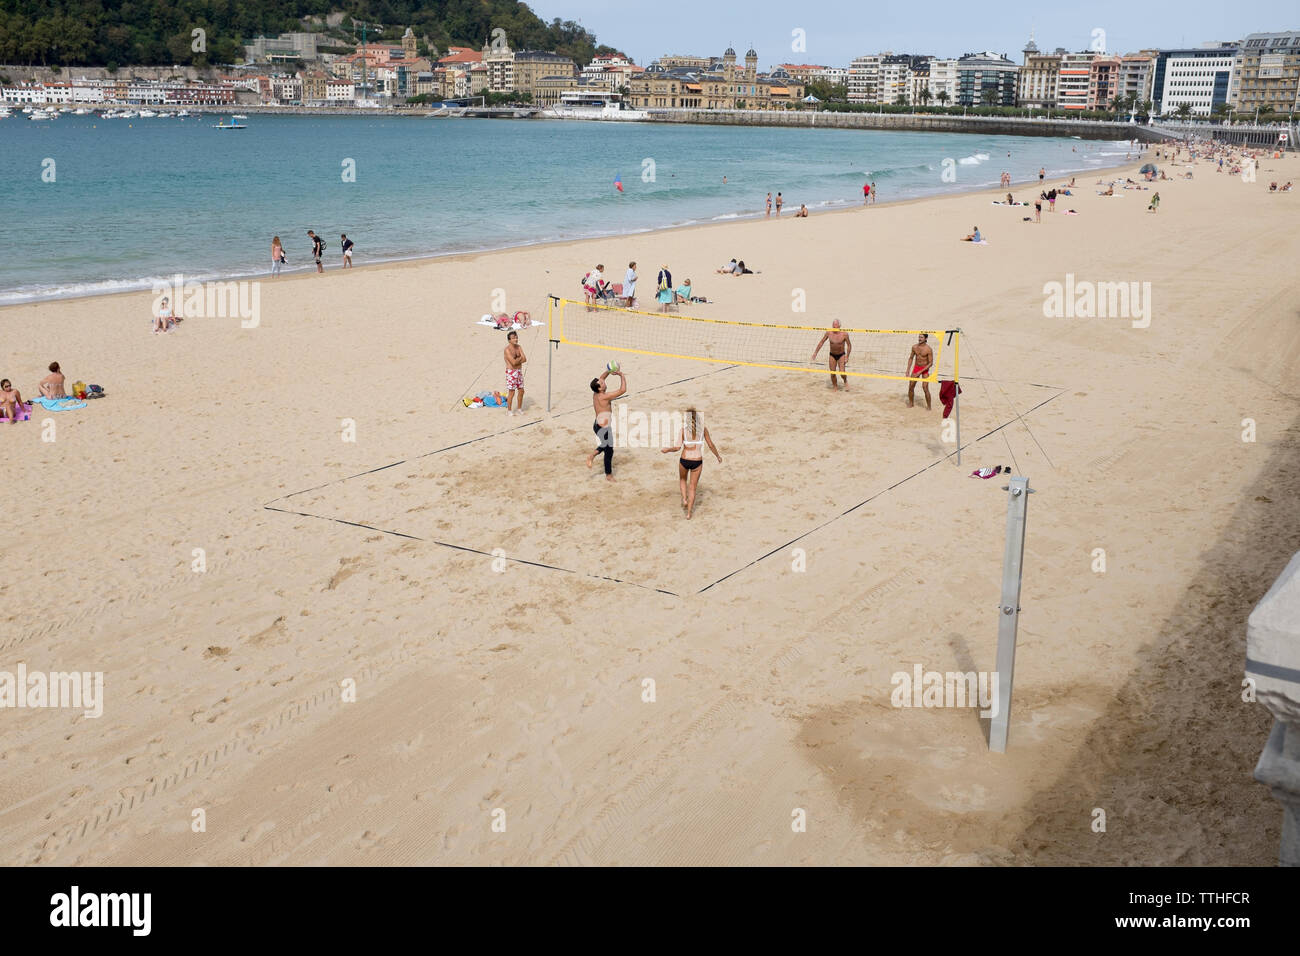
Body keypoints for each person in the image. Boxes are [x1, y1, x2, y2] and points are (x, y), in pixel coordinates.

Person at [661, 406, 721, 519]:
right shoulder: (703, 429)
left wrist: (667, 450)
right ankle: (689, 513)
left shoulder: (683, 431)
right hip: (697, 461)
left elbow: (677, 447)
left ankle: (684, 499)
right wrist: (717, 456)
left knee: (683, 479)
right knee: (692, 487)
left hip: (684, 459)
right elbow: (711, 444)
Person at [586, 368, 627, 480]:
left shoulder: (595, 393)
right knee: (608, 450)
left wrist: (609, 370)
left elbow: (602, 377)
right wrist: (621, 375)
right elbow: (622, 390)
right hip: (603, 429)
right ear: (600, 388)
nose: (604, 382)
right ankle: (606, 472)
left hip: (597, 425)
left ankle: (603, 468)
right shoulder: (604, 397)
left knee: (607, 446)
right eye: (602, 383)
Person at [811, 319, 852, 391]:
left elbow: (849, 345)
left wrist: (847, 356)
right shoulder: (829, 333)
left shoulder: (844, 334)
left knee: (842, 372)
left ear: (839, 326)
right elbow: (821, 342)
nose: (834, 326)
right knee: (832, 373)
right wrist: (815, 353)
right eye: (833, 325)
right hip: (832, 355)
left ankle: (845, 381)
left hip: (841, 355)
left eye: (836, 325)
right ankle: (835, 387)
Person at [906, 333, 933, 410]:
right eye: (919, 337)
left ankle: (929, 406)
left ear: (926, 339)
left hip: (925, 369)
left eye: (921, 337)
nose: (919, 338)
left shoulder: (928, 349)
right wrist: (908, 370)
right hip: (916, 368)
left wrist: (920, 372)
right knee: (911, 386)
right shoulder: (914, 347)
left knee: (925, 388)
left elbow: (930, 363)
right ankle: (911, 404)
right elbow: (911, 358)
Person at [504, 330, 526, 416]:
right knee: (511, 392)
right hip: (511, 372)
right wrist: (520, 359)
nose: (516, 339)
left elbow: (525, 359)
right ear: (509, 340)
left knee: (521, 391)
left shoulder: (519, 347)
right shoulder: (507, 350)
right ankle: (509, 410)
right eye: (513, 338)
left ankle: (519, 409)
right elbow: (513, 362)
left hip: (519, 371)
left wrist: (519, 360)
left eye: (516, 337)